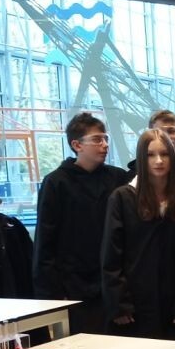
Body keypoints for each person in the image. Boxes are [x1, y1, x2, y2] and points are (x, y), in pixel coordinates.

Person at [33, 112, 127, 333]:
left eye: (105, 139)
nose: (105, 145)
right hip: (74, 287)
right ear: (77, 145)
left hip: (112, 283)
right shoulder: (56, 182)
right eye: (97, 139)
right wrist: (53, 295)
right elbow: (45, 241)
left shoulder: (117, 177)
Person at [101, 129, 175, 339]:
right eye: (151, 155)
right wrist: (119, 304)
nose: (159, 161)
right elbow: (111, 256)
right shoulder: (122, 198)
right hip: (133, 305)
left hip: (173, 304)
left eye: (165, 154)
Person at [125, 109, 175, 193]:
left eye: (171, 131)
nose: (165, 137)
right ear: (149, 136)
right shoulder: (131, 177)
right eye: (158, 132)